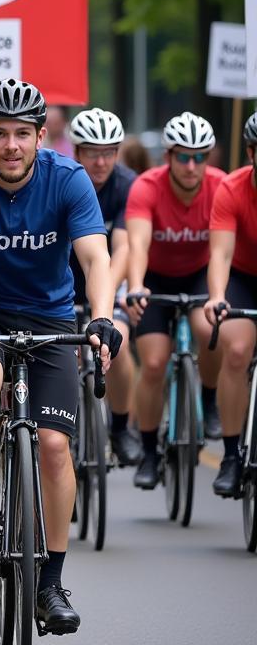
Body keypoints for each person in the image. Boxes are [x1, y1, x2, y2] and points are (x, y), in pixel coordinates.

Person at [0, 78, 119, 635]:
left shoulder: (68, 179)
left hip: (50, 315)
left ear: (41, 137)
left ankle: (51, 581)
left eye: (23, 135)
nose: (12, 146)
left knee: (55, 447)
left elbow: (95, 257)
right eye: (0, 134)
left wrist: (101, 316)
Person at [125, 112, 225, 490]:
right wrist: (136, 285)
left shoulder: (220, 187)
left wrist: (217, 296)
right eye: (182, 156)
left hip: (200, 274)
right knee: (152, 362)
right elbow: (137, 243)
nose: (190, 165)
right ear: (167, 157)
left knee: (210, 327)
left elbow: (221, 252)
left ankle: (210, 398)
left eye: (199, 157)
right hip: (153, 277)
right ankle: (150, 452)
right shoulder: (147, 187)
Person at [68, 108, 141, 466]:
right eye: (93, 152)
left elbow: (125, 246)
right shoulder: (63, 179)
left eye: (109, 152)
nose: (101, 161)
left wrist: (104, 302)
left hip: (108, 279)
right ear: (77, 152)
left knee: (120, 346)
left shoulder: (128, 185)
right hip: (63, 283)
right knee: (60, 354)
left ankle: (121, 427)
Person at [204, 112, 257, 497]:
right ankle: (232, 455)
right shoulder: (232, 189)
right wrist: (218, 296)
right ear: (252, 153)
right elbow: (220, 255)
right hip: (242, 277)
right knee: (237, 350)